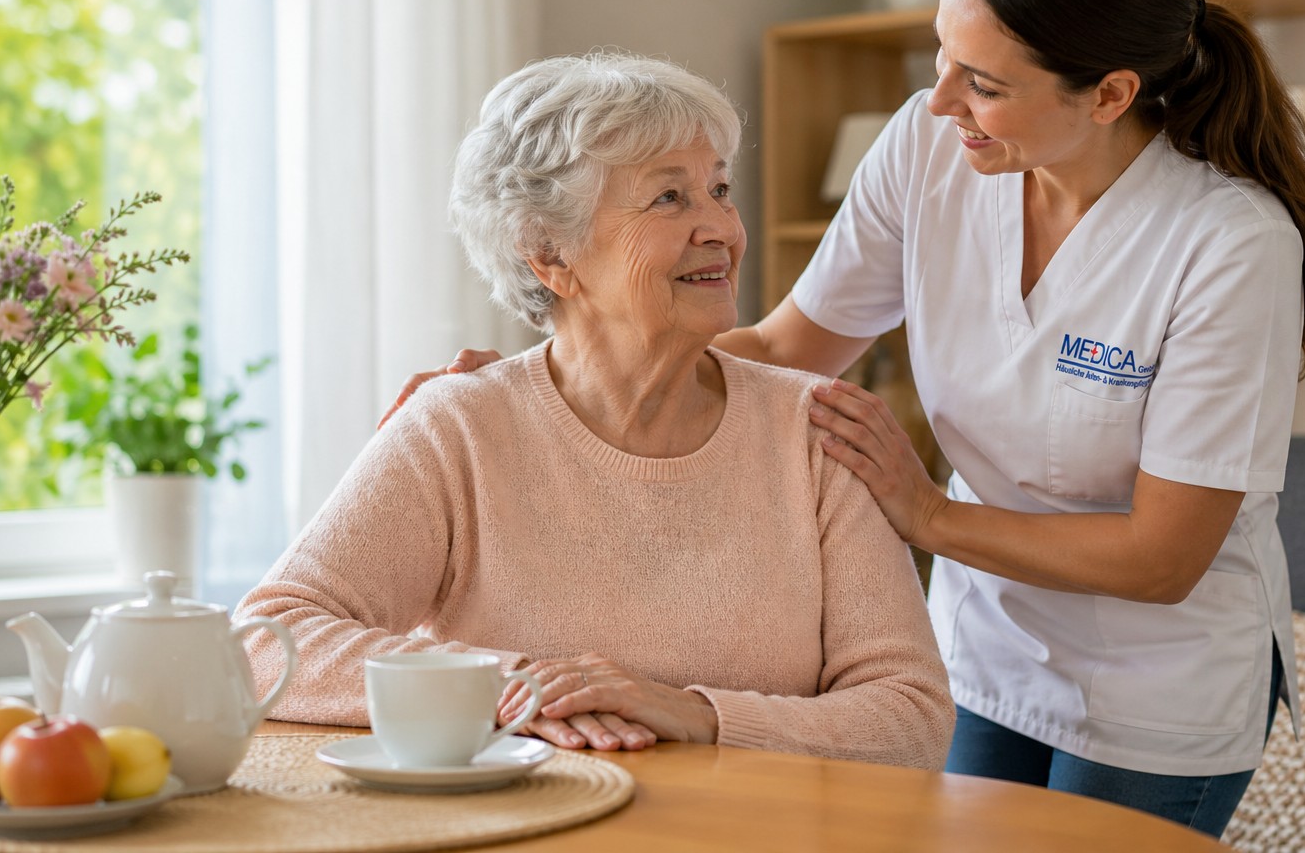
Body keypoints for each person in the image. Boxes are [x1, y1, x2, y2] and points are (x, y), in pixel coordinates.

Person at [382, 0, 1305, 837]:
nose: (941, 102)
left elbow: (1162, 557)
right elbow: (782, 349)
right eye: (944, 57)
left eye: (985, 85)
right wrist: (542, 382)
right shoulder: (930, 152)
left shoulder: (1227, 243)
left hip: (1158, 680)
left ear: (1109, 94)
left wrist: (926, 514)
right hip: (988, 651)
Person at [238, 52, 954, 771]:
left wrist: (696, 714)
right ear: (549, 254)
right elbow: (265, 644)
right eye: (669, 198)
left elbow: (912, 716)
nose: (720, 228)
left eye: (719, 189)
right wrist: (519, 687)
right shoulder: (460, 426)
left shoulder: (816, 431)